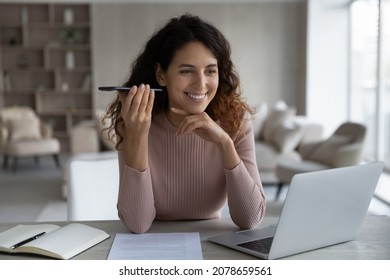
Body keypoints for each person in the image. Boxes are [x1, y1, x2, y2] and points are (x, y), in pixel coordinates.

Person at [104, 14, 266, 233]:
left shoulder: (235, 120)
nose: (201, 84)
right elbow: (137, 223)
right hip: (153, 248)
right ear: (161, 75)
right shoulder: (134, 122)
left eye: (210, 71)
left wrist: (224, 143)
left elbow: (250, 219)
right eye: (187, 71)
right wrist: (138, 135)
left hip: (210, 242)